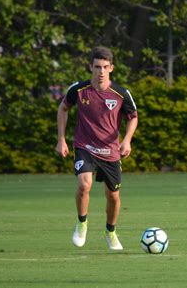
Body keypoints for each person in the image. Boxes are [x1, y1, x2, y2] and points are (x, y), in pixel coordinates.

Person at [55, 46, 138, 251]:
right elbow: (63, 108)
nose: (101, 71)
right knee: (84, 184)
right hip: (85, 146)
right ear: (90, 67)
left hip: (110, 151)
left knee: (113, 196)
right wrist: (61, 139)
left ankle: (110, 231)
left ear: (111, 68)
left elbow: (133, 117)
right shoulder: (78, 90)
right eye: (97, 67)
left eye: (105, 67)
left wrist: (127, 140)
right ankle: (82, 223)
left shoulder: (121, 93)